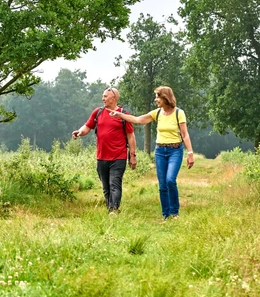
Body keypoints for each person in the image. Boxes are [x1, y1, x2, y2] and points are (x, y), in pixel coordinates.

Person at [108, 86, 194, 220]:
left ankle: (174, 213)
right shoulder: (157, 113)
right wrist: (120, 114)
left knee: (170, 180)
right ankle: (166, 215)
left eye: (158, 97)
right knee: (162, 184)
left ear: (166, 98)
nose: (156, 100)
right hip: (160, 151)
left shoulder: (179, 113)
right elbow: (137, 120)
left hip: (175, 151)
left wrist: (190, 153)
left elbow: (185, 134)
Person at [72, 87, 137, 215]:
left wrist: (133, 155)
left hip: (119, 156)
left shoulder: (124, 115)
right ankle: (110, 209)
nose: (103, 99)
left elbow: (131, 136)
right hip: (102, 157)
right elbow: (87, 126)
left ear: (114, 98)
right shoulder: (98, 112)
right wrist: (79, 132)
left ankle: (114, 209)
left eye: (105, 96)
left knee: (114, 184)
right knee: (106, 187)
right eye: (103, 96)